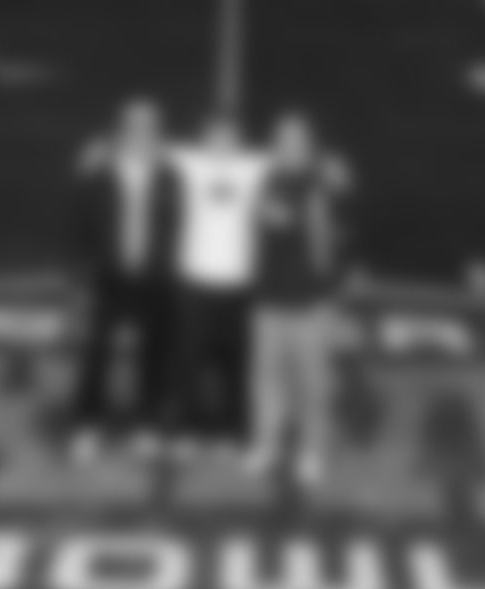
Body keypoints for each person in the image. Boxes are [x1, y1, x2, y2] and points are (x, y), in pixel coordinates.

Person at [68, 97, 184, 463]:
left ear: (157, 132)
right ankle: (87, 426)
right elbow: (79, 226)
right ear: (121, 129)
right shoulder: (98, 172)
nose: (140, 132)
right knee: (96, 352)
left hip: (155, 278)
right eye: (134, 125)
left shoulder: (170, 175)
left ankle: (145, 426)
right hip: (108, 276)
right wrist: (80, 276)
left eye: (148, 126)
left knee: (153, 352)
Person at [244, 110, 353, 487]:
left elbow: (342, 240)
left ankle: (312, 451)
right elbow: (261, 229)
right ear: (275, 145)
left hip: (311, 304)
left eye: (297, 140)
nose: (290, 147)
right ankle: (267, 445)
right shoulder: (266, 180)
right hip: (269, 301)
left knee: (313, 385)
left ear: (309, 146)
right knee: (266, 382)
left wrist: (334, 300)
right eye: (283, 140)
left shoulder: (326, 183)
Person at [169, 115, 273, 458]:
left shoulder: (253, 167)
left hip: (239, 284)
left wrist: (328, 166)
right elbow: (146, 148)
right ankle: (188, 430)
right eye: (215, 137)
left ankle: (234, 429)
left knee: (237, 361)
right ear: (204, 140)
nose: (222, 144)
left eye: (229, 138)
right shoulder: (190, 163)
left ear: (239, 142)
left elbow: (295, 158)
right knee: (190, 359)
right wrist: (103, 150)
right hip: (195, 281)